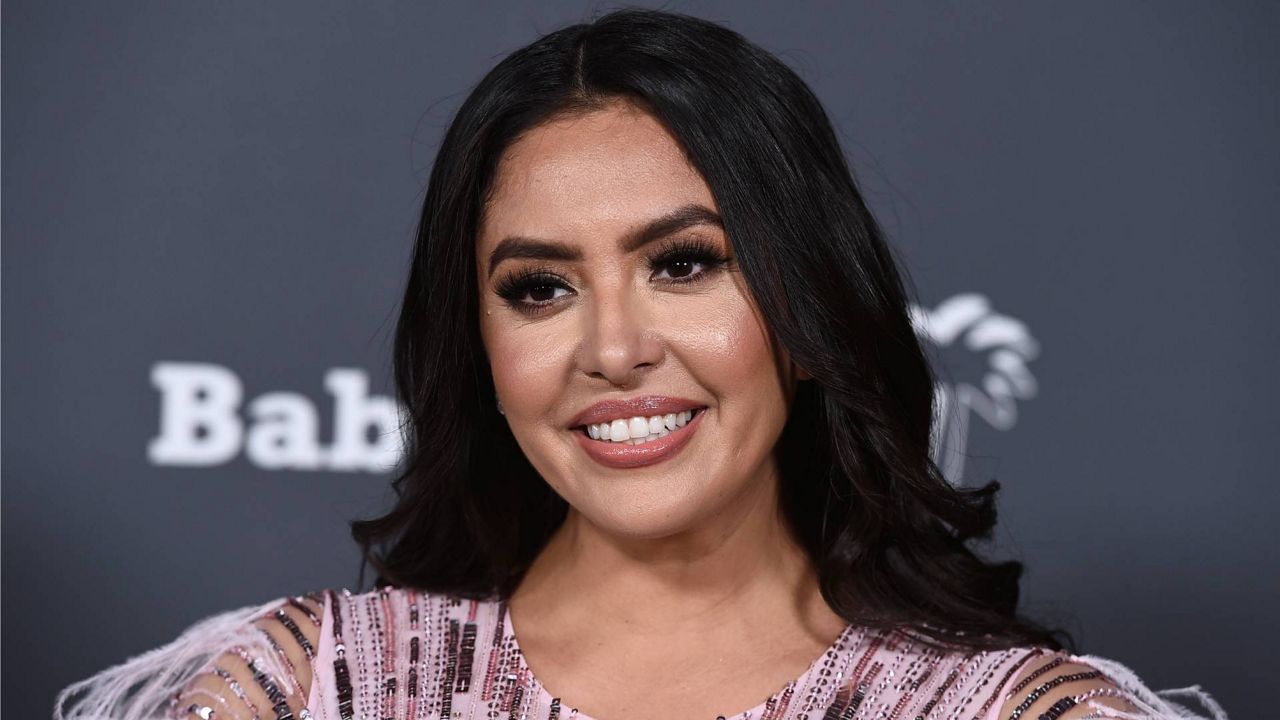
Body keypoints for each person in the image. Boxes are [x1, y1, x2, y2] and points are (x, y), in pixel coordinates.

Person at [54, 8, 1228, 720]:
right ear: (480, 345)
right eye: (539, 288)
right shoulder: (300, 690)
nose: (612, 348)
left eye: (683, 265)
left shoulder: (1012, 713)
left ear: (809, 310)